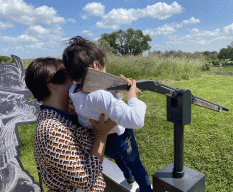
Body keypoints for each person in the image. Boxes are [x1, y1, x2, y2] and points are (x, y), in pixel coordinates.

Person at [62, 36, 153, 192]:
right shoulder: (99, 96)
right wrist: (132, 94)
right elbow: (136, 120)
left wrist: (117, 90)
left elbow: (104, 107)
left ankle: (129, 178)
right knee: (135, 162)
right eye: (104, 70)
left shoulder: (74, 92)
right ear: (96, 66)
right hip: (121, 138)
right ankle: (146, 190)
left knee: (119, 159)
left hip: (104, 143)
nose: (106, 72)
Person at [25, 57, 117, 192]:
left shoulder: (63, 115)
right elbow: (86, 180)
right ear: (53, 84)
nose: (77, 81)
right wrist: (101, 134)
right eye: (71, 77)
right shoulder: (51, 130)